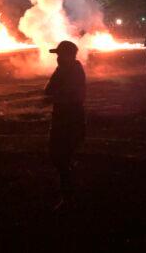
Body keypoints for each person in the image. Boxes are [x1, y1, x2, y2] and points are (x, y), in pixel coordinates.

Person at [45, 40, 86, 210]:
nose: (57, 58)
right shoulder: (73, 68)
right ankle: (70, 191)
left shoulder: (68, 70)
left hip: (67, 118)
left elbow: (50, 90)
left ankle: (68, 198)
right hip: (71, 117)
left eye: (60, 55)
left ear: (68, 55)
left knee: (60, 157)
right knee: (63, 156)